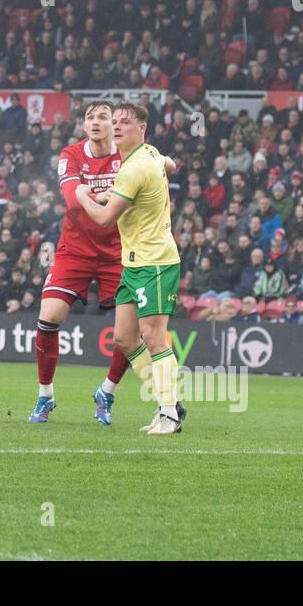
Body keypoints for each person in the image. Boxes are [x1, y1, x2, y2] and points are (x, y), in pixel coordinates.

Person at [75, 100, 184, 435]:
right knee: (124, 337)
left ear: (142, 129)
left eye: (126, 122)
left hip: (155, 262)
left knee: (153, 336)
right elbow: (171, 165)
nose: (117, 126)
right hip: (133, 262)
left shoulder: (135, 167)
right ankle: (169, 400)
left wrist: (84, 196)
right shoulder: (149, 154)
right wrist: (113, 191)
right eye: (116, 122)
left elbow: (106, 220)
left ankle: (168, 412)